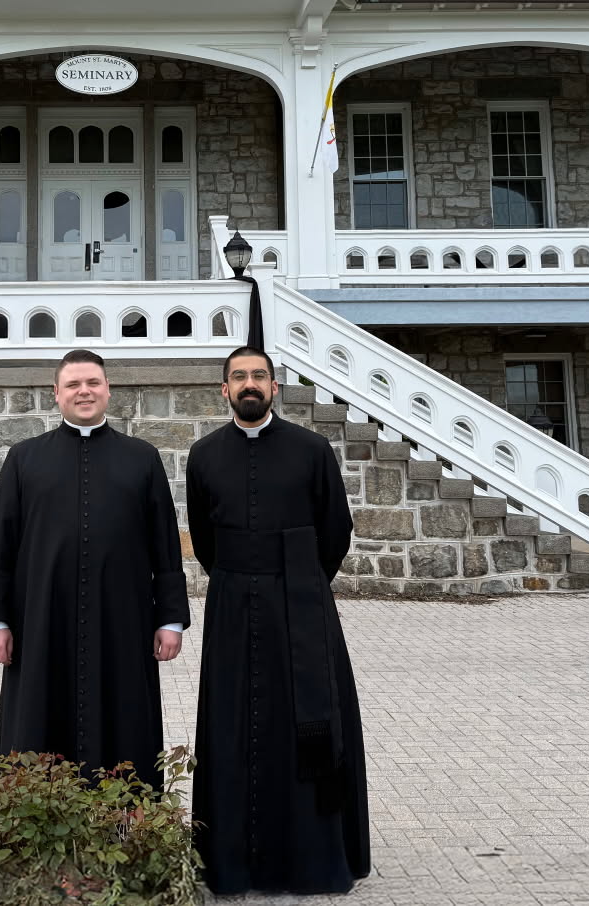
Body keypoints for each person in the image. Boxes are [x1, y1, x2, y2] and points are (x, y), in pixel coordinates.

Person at [186, 346, 370, 895]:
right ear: (224, 389)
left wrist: (299, 580)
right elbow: (204, 539)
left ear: (275, 386)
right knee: (231, 723)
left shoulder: (312, 450)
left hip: (302, 606)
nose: (249, 384)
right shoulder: (203, 455)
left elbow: (335, 529)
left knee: (309, 723)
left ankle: (312, 858)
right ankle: (233, 861)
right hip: (232, 605)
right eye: (239, 377)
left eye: (259, 376)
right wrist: (242, 577)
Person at [0, 349, 190, 791]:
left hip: (124, 621)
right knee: (38, 717)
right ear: (56, 394)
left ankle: (130, 829)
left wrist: (170, 620)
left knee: (125, 715)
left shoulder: (142, 458)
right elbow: (1, 545)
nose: (84, 391)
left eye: (93, 382)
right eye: (73, 384)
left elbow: (165, 546)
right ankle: (33, 824)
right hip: (40, 620)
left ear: (108, 390)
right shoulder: (24, 459)